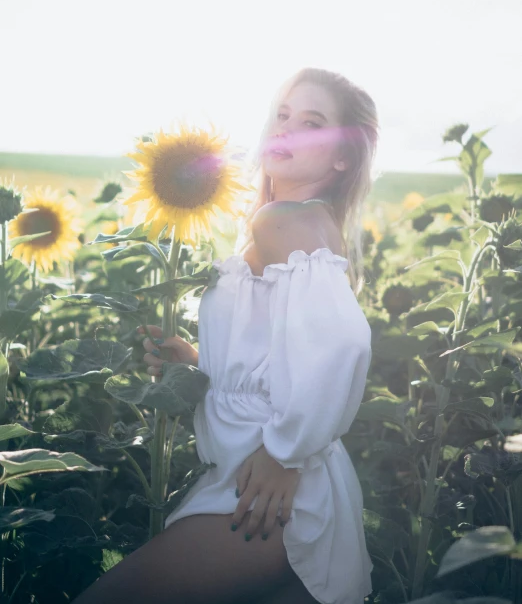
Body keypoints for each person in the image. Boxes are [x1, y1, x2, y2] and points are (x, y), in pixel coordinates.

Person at [73, 67, 379, 604]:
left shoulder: (283, 221)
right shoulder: (302, 221)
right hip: (273, 480)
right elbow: (284, 357)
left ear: (342, 157)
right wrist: (199, 361)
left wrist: (287, 453)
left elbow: (343, 344)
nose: (286, 128)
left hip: (272, 487)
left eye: (311, 122)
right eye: (283, 114)